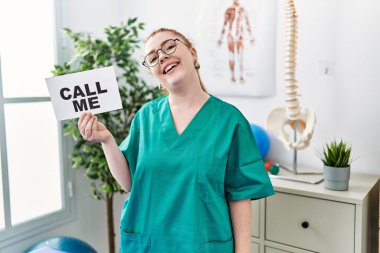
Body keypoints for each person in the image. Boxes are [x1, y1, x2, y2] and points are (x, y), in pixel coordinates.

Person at [78, 27, 275, 253]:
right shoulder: (146, 117)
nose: (161, 56)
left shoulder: (230, 121)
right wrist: (107, 141)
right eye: (152, 58)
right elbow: (129, 183)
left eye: (170, 46)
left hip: (202, 245)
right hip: (149, 245)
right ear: (154, 74)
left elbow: (240, 197)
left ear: (193, 54)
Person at [217, 0, 255, 83]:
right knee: (232, 56)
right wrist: (220, 38)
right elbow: (225, 24)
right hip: (231, 35)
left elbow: (247, 23)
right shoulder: (229, 10)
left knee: (240, 56)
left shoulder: (242, 9)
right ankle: (233, 76)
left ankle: (240, 75)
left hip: (239, 35)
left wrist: (251, 36)